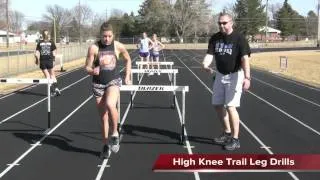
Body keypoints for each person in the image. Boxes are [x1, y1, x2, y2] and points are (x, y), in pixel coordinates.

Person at [202, 12, 251, 151]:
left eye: (224, 23)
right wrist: (205, 64)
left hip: (235, 75)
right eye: (219, 23)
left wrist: (247, 77)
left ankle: (235, 140)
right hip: (219, 75)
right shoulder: (215, 38)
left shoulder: (239, 38)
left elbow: (245, 59)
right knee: (217, 104)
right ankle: (227, 132)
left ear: (231, 22)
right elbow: (209, 55)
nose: (222, 25)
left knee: (230, 106)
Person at [85, 22, 132, 158]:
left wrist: (127, 76)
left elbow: (128, 59)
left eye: (109, 36)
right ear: (100, 35)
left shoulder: (118, 46)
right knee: (104, 118)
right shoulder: (94, 48)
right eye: (104, 36)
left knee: (111, 104)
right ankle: (105, 145)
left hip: (113, 81)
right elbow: (86, 67)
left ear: (113, 35)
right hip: (98, 84)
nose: (107, 39)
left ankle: (115, 133)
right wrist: (92, 71)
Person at [35, 29, 61, 97]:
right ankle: (56, 88)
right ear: (48, 35)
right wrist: (54, 59)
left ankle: (52, 91)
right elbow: (54, 51)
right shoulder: (51, 42)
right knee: (52, 75)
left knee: (47, 76)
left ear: (42, 35)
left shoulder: (39, 43)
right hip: (49, 60)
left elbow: (37, 52)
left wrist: (37, 59)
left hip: (43, 61)